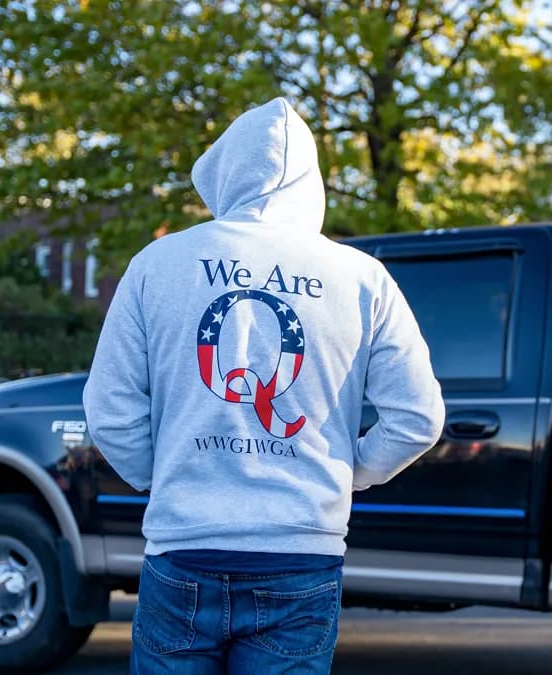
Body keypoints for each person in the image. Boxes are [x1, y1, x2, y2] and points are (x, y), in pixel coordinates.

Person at [82, 98, 445, 674]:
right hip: (302, 552)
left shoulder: (157, 264)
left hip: (183, 549)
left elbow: (109, 409)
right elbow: (417, 418)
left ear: (224, 172)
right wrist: (344, 474)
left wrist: (167, 475)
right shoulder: (361, 277)